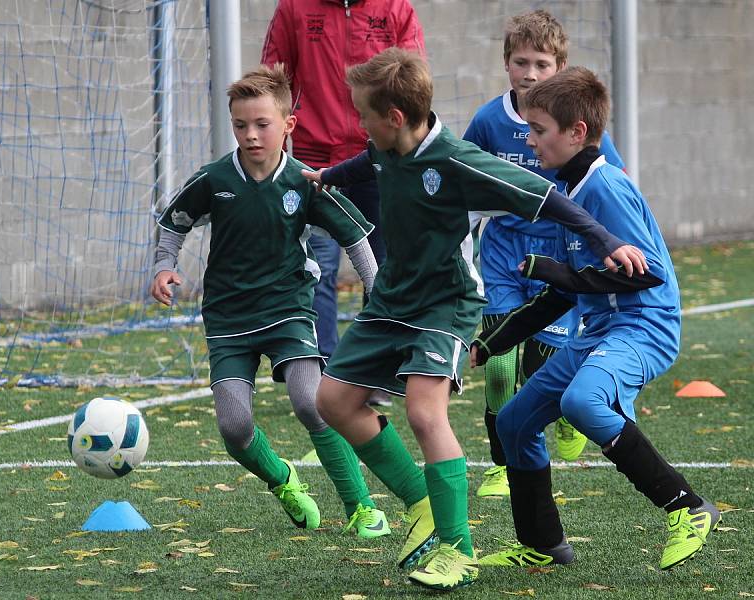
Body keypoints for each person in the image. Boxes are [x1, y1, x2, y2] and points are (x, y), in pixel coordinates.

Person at [302, 48, 646, 591]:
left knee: (423, 410)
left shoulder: (458, 161)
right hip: (393, 300)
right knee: (333, 401)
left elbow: (546, 199)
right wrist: (327, 177)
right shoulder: (387, 145)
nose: (359, 124)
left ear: (394, 117)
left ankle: (456, 550)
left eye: (364, 114)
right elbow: (368, 161)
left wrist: (605, 240)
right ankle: (421, 499)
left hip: (448, 301)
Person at [472, 66, 720, 571]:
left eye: (539, 130)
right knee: (516, 422)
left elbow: (644, 275)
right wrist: (488, 345)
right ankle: (543, 544)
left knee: (581, 401)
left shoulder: (605, 187)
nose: (531, 140)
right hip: (598, 331)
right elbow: (561, 294)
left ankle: (688, 508)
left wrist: (554, 269)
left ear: (576, 132)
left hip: (643, 327)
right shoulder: (569, 193)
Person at [150, 64, 391, 540]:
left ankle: (361, 506)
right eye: (241, 125)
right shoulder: (215, 178)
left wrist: (376, 289)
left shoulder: (306, 181)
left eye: (262, 124)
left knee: (312, 402)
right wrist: (163, 265)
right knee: (235, 428)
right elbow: (173, 221)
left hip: (288, 309)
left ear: (288, 125)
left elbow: (355, 236)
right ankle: (283, 480)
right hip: (228, 316)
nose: (251, 135)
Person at [463, 9, 626, 498]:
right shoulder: (489, 120)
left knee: (541, 367)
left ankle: (564, 418)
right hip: (504, 250)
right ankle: (500, 461)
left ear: (560, 68)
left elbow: (607, 178)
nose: (529, 74)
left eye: (541, 64)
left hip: (557, 253)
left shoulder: (574, 125)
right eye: (520, 62)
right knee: (496, 361)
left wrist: (608, 242)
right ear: (505, 64)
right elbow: (464, 175)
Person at [262, 0, 425, 407]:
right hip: (316, 161)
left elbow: (414, 79)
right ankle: (324, 371)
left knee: (385, 264)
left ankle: (376, 371)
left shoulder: (395, 8)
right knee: (317, 265)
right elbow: (273, 79)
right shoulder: (294, 8)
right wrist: (272, 147)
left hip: (380, 155)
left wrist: (409, 148)